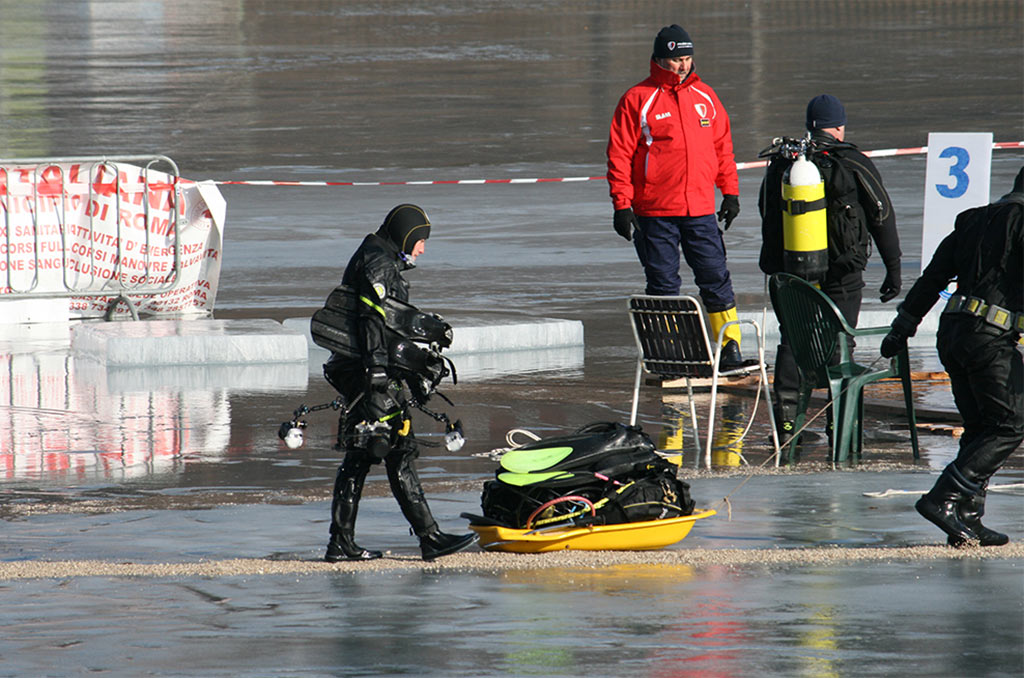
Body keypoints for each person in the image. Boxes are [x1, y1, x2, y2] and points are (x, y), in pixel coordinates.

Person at [322, 204, 477, 562]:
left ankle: (343, 540)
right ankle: (428, 537)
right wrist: (378, 369)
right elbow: (371, 319)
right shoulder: (378, 262)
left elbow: (389, 321)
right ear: (406, 234)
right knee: (394, 454)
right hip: (369, 373)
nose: (422, 248)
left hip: (363, 369)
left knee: (369, 455)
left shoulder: (379, 254)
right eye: (420, 240)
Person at [881, 167, 1023, 547]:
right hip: (988, 337)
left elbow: (932, 278)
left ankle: (967, 519)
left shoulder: (973, 221)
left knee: (980, 427)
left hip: (954, 334)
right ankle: (944, 498)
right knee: (1011, 422)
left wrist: (902, 328)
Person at [758, 94, 903, 444]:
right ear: (839, 126)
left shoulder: (784, 163)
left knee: (792, 340)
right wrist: (893, 268)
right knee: (841, 339)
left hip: (790, 272)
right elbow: (881, 215)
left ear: (809, 124)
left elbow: (766, 211)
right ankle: (840, 426)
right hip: (843, 271)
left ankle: (788, 427)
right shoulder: (852, 161)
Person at [607, 24, 746, 368]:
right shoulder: (637, 99)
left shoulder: (706, 97)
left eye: (686, 58)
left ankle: (729, 348)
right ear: (658, 60)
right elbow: (619, 155)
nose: (682, 65)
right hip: (654, 212)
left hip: (699, 209)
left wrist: (729, 193)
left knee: (715, 278)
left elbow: (722, 149)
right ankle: (671, 351)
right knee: (663, 284)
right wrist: (622, 205)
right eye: (675, 59)